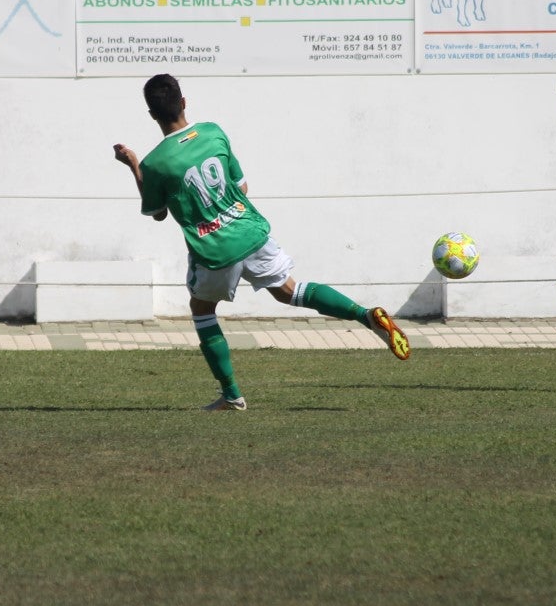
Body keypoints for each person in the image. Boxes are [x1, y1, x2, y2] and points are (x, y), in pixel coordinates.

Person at [113, 73, 409, 411]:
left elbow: (158, 213)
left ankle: (231, 395)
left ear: (152, 115)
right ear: (183, 102)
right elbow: (243, 188)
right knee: (290, 291)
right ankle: (365, 314)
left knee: (202, 310)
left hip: (214, 250)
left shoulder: (155, 163)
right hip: (250, 231)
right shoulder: (213, 132)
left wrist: (134, 165)